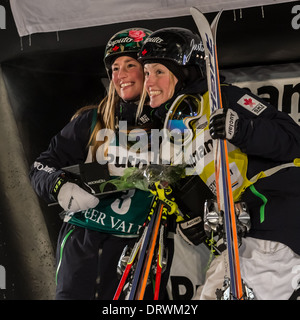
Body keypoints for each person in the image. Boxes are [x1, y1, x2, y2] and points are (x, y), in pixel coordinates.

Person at [137, 26, 300, 300]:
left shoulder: (224, 97)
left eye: (159, 72)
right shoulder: (177, 126)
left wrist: (242, 130)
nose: (149, 81)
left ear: (185, 72)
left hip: (275, 224)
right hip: (243, 238)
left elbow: (293, 139)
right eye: (146, 73)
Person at [28, 27, 174, 300]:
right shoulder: (92, 120)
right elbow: (41, 165)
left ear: (152, 69)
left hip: (142, 241)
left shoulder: (173, 120)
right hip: (85, 238)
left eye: (130, 65)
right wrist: (61, 186)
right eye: (115, 68)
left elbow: (182, 176)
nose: (120, 75)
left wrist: (134, 173)